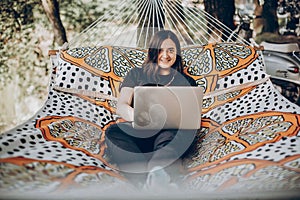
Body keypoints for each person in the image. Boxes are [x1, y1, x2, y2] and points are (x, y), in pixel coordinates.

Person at [105, 30, 198, 190]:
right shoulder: (136, 74)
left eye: (171, 50)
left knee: (178, 134)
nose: (165, 55)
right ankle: (147, 179)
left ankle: (157, 172)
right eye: (160, 50)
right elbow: (122, 106)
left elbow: (191, 115)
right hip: (141, 132)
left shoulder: (187, 81)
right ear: (153, 52)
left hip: (170, 134)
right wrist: (136, 116)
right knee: (113, 131)